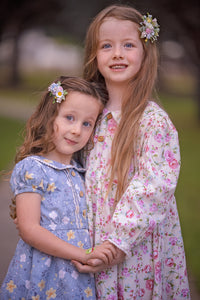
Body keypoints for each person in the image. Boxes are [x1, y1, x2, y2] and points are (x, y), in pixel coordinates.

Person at [72, 4, 191, 299]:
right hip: (93, 241)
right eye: (106, 45)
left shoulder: (152, 121)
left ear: (145, 52)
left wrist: (115, 245)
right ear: (94, 54)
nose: (117, 54)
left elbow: (152, 188)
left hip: (132, 249)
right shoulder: (90, 116)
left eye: (128, 45)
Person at [0, 76, 118, 300]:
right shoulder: (33, 169)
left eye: (87, 123)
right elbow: (30, 229)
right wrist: (84, 254)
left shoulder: (83, 172)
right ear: (49, 116)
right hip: (44, 273)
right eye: (69, 118)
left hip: (77, 278)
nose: (76, 130)